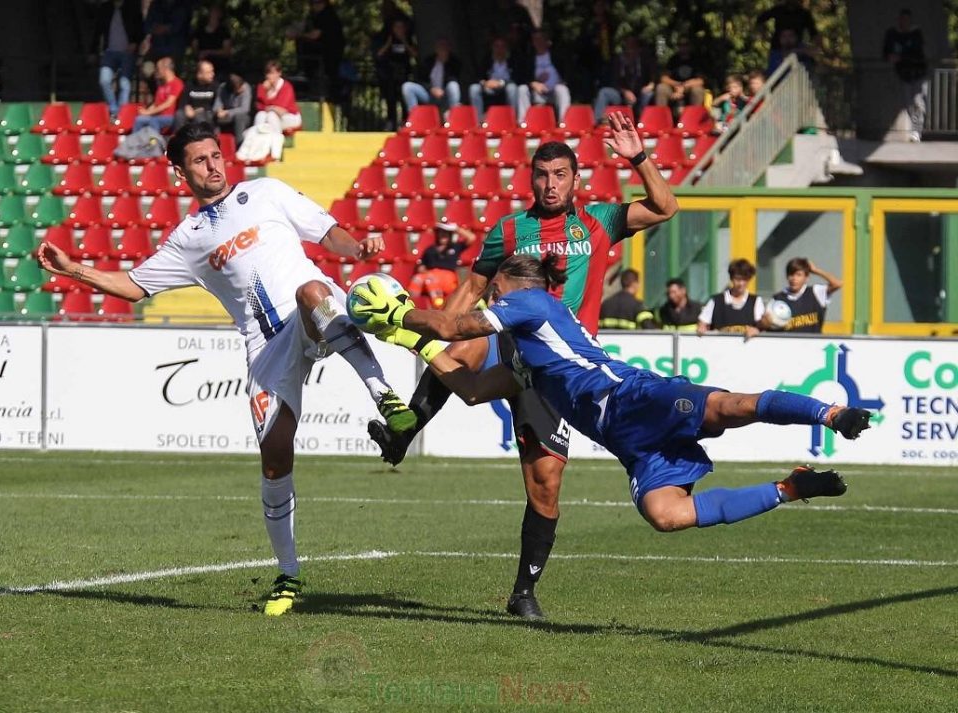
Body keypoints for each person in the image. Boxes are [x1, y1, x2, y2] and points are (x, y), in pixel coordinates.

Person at [35, 123, 417, 617]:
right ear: (181, 171)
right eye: (200, 160)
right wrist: (74, 270)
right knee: (275, 458)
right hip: (265, 349)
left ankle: (384, 395)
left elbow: (326, 231)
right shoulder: (188, 240)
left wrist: (356, 249)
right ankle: (288, 574)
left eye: (216, 155)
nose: (213, 166)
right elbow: (133, 286)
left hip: (315, 312)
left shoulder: (266, 192)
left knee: (310, 291)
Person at [367, 111, 679, 620]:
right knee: (463, 348)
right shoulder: (510, 229)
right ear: (530, 178)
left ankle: (523, 592)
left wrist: (638, 158)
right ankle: (406, 430)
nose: (551, 184)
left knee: (545, 485)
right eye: (542, 174)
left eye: (560, 175)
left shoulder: (599, 222)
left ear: (576, 180)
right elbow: (472, 287)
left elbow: (666, 207)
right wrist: (439, 325)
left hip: (559, 367)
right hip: (508, 344)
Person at [354, 253, 868, 541]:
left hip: (635, 397)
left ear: (517, 287)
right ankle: (792, 488)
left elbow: (452, 323)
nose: (491, 299)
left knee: (729, 409)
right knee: (667, 515)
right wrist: (411, 340)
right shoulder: (526, 359)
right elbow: (468, 389)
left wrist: (397, 313)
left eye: (496, 292)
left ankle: (830, 412)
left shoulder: (532, 301)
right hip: (628, 440)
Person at [238, 61, 301, 162]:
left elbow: (281, 110)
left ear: (279, 73)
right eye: (267, 73)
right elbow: (260, 107)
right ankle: (254, 151)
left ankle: (275, 152)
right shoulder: (262, 87)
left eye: (272, 73)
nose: (269, 76)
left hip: (290, 117)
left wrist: (270, 106)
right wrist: (266, 92)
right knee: (261, 115)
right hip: (270, 118)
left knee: (271, 115)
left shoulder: (286, 86)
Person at [883, 9, 928, 143]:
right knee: (908, 104)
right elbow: (886, 52)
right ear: (899, 20)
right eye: (902, 20)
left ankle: (917, 131)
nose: (904, 23)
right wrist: (890, 57)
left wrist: (900, 56)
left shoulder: (916, 34)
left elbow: (916, 51)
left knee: (918, 102)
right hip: (904, 74)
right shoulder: (892, 34)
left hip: (919, 73)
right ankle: (914, 129)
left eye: (907, 20)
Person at [92, 0, 143, 119]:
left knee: (124, 84)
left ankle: (122, 115)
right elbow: (97, 30)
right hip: (109, 52)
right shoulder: (105, 8)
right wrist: (92, 50)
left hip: (127, 52)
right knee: (104, 80)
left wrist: (135, 42)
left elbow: (140, 28)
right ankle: (114, 110)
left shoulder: (132, 7)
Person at [288, 0, 345, 103]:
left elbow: (315, 35)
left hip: (325, 56)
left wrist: (300, 36)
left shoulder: (326, 16)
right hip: (323, 58)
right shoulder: (315, 16)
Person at [407, 223, 474, 309]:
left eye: (446, 233)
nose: (443, 235)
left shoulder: (455, 247)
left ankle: (438, 308)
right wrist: (422, 269)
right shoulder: (430, 250)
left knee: (429, 281)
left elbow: (471, 238)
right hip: (430, 275)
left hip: (448, 278)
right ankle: (411, 307)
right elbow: (421, 266)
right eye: (441, 233)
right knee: (417, 279)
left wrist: (456, 228)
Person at [592, 35, 657, 121]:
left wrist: (651, 85)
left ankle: (643, 121)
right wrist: (625, 91)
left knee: (648, 95)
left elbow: (654, 77)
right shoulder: (618, 61)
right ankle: (597, 121)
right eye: (628, 46)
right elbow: (614, 81)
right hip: (621, 94)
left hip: (640, 94)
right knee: (604, 92)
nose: (630, 50)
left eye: (633, 47)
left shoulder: (644, 61)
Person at [769, 257, 843, 333]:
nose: (794, 278)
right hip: (789, 343)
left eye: (798, 275)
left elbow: (837, 284)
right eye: (791, 274)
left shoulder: (815, 292)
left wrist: (816, 270)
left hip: (813, 343)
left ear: (806, 278)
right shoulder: (778, 298)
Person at [697, 258, 764, 337]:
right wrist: (702, 328)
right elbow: (702, 323)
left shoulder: (756, 301)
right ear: (731, 278)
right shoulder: (716, 301)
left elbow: (761, 326)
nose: (741, 283)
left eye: (744, 279)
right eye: (738, 279)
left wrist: (756, 330)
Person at [515, 29, 571, 122]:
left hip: (554, 92)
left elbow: (568, 74)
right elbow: (521, 77)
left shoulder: (557, 57)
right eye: (535, 39)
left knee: (562, 90)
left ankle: (564, 122)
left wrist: (562, 82)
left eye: (541, 39)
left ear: (547, 41)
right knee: (522, 89)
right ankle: (523, 122)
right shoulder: (528, 59)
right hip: (536, 92)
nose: (538, 42)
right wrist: (532, 83)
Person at [372, 15, 417, 130]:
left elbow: (414, 54)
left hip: (404, 72)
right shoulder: (387, 38)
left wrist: (404, 41)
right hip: (390, 73)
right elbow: (379, 54)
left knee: (404, 98)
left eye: (401, 27)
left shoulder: (408, 39)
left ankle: (405, 121)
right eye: (397, 27)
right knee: (390, 97)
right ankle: (391, 121)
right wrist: (388, 43)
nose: (399, 29)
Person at [401, 38, 462, 115]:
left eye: (445, 47)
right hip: (429, 94)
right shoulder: (428, 62)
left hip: (445, 95)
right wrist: (431, 89)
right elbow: (420, 79)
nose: (443, 50)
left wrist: (445, 63)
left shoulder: (454, 62)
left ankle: (453, 115)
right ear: (436, 49)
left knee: (453, 85)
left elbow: (454, 78)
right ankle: (415, 116)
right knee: (407, 86)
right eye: (440, 47)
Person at [469, 36, 518, 122]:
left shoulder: (513, 60)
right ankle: (478, 121)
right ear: (492, 48)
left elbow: (517, 78)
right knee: (474, 88)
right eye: (497, 46)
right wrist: (485, 83)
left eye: (502, 46)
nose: (499, 49)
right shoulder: (487, 59)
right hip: (489, 87)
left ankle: (512, 120)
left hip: (506, 86)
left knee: (512, 88)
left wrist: (501, 83)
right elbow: (478, 76)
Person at [132, 56, 184, 134]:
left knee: (154, 121)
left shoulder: (177, 83)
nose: (156, 71)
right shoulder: (161, 85)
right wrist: (146, 111)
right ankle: (134, 143)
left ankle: (154, 144)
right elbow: (156, 103)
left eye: (158, 68)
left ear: (165, 69)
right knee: (139, 119)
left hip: (169, 117)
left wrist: (149, 113)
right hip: (157, 116)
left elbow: (168, 103)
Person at [654, 36, 707, 110]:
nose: (683, 47)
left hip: (689, 88)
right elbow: (664, 78)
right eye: (680, 45)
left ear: (689, 46)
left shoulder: (696, 60)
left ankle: (695, 117)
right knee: (661, 88)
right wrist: (677, 85)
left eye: (685, 45)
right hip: (674, 87)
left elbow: (700, 81)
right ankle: (661, 116)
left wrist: (684, 86)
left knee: (698, 90)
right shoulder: (673, 59)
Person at [173, 59, 220, 133]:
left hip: (207, 114)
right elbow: (182, 102)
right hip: (191, 112)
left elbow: (217, 105)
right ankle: (179, 138)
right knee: (179, 114)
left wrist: (201, 109)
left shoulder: (215, 86)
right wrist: (186, 107)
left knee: (200, 116)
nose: (212, 74)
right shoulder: (190, 85)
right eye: (208, 72)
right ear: (199, 74)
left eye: (212, 71)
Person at [191, 4, 234, 78]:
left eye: (216, 12)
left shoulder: (224, 32)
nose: (214, 15)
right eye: (212, 12)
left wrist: (209, 52)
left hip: (220, 66)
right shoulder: (200, 30)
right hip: (203, 65)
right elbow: (195, 47)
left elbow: (227, 51)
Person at [216, 71, 252, 147]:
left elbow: (245, 109)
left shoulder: (246, 87)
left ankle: (240, 146)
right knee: (213, 117)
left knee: (239, 118)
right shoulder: (222, 88)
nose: (242, 88)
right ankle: (216, 144)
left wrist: (227, 112)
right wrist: (218, 110)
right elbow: (218, 102)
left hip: (242, 116)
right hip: (226, 117)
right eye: (239, 88)